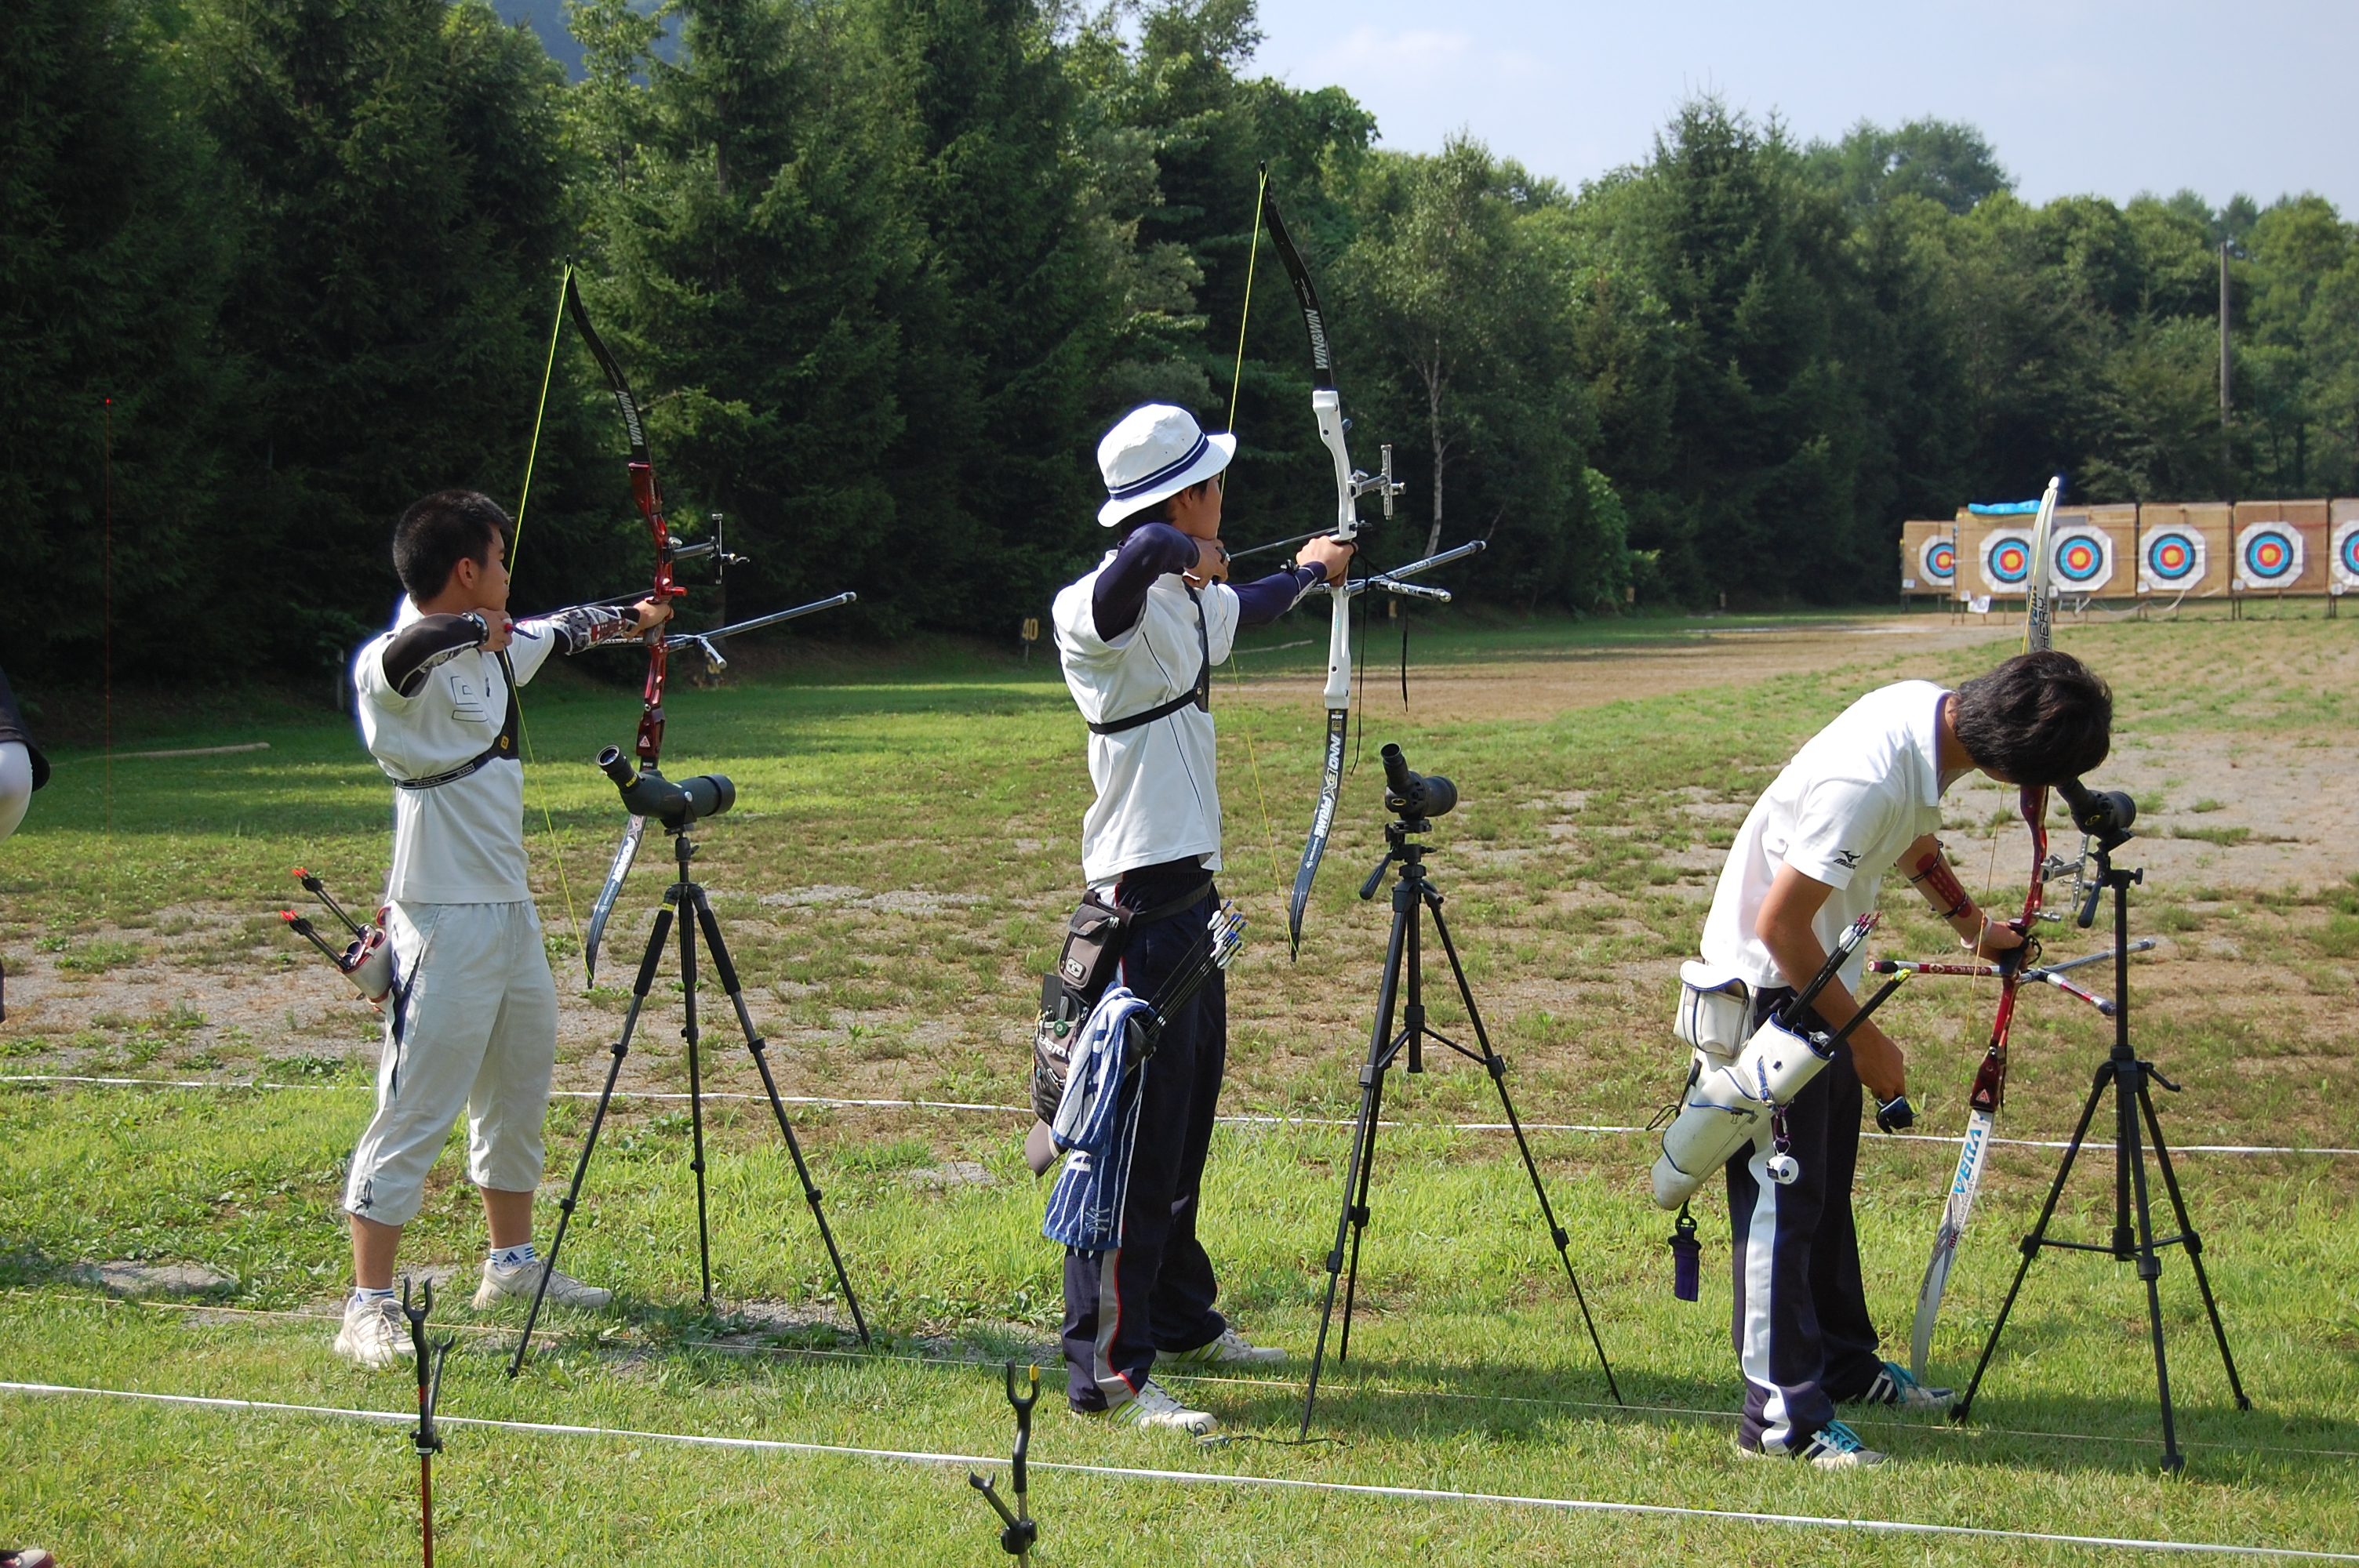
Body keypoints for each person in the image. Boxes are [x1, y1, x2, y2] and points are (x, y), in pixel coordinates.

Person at [1695, 651, 2112, 1467]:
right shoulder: (1871, 777)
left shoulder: (1928, 716)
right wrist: (1865, 1040)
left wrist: (1972, 926)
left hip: (1817, 981)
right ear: (2008, 766)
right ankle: (1779, 1423)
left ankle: (1842, 1366)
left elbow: (1911, 843)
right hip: (1772, 993)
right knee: (1781, 1206)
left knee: (1821, 1194)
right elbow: (1782, 925)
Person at [1045, 404, 1352, 1434]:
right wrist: (1191, 545)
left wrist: (1312, 570)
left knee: (1179, 1139)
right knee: (1128, 1150)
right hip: (1135, 919)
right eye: (1211, 487)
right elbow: (1141, 561)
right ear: (1184, 499)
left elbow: (1248, 605)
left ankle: (1177, 1317)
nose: (1225, 500)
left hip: (1192, 911)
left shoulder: (1180, 598)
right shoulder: (1096, 606)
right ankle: (1106, 1375)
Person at [333, 488, 672, 1370]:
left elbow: (562, 628)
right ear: (465, 570)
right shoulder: (389, 665)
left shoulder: (496, 643)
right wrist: (477, 632)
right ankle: (366, 1303)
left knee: (519, 1083)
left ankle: (511, 1264)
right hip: (439, 913)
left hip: (508, 911)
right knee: (417, 1100)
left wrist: (638, 618)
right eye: (498, 557)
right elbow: (413, 651)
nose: (508, 574)